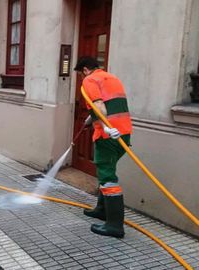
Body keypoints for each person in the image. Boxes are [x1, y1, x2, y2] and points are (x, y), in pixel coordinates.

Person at [74, 56, 133, 238]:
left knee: (107, 176)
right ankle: (102, 210)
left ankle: (114, 225)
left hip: (108, 136)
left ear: (85, 70)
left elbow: (99, 105)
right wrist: (91, 118)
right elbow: (111, 104)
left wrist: (105, 126)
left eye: (80, 74)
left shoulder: (89, 80)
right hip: (124, 133)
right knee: (106, 172)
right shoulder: (112, 78)